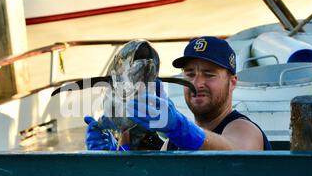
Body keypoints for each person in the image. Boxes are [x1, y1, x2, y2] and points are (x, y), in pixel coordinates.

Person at [85, 36, 271, 151]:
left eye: (209, 74)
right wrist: (118, 154)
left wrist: (178, 127)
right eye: (190, 74)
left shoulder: (243, 129)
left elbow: (236, 152)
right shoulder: (171, 144)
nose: (197, 83)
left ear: (232, 82)